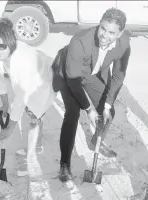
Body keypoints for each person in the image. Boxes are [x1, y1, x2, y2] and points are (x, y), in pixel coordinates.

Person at [51, 8, 131, 182]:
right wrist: (88, 109)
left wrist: (107, 105)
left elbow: (118, 76)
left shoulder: (124, 44)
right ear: (99, 23)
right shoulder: (79, 41)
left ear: (120, 33)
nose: (104, 35)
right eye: (102, 28)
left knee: (108, 112)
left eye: (111, 32)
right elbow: (73, 80)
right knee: (72, 114)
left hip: (92, 74)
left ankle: (96, 141)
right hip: (70, 73)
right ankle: (65, 164)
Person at [0, 18, 56, 176]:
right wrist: (5, 104)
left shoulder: (24, 60)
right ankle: (36, 144)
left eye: (2, 46)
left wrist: (10, 129)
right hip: (26, 84)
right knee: (29, 113)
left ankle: (31, 155)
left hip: (43, 81)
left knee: (33, 115)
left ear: (11, 43)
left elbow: (21, 98)